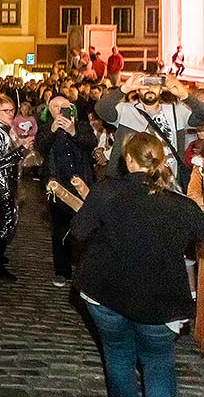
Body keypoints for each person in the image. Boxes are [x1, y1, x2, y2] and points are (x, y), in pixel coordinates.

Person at [72, 132, 204, 397]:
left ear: (129, 160)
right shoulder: (184, 206)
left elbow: (79, 232)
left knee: (118, 355)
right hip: (160, 300)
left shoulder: (106, 191)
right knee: (158, 363)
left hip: (105, 292)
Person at [96, 73, 204, 190]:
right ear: (137, 90)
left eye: (155, 84)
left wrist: (184, 95)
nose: (150, 88)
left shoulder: (176, 112)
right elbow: (101, 109)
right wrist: (125, 88)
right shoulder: (126, 110)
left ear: (161, 90)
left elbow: (202, 115)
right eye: (145, 84)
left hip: (168, 185)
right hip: (131, 184)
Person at [34, 95, 95, 287]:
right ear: (49, 110)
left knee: (85, 229)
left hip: (83, 185)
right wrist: (53, 130)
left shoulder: (82, 125)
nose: (60, 110)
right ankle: (62, 271)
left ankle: (85, 269)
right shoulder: (45, 128)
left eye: (64, 106)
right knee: (60, 229)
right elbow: (40, 147)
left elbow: (91, 142)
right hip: (57, 187)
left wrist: (73, 130)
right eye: (55, 106)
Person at [0, 96, 31, 282]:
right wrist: (21, 150)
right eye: (6, 111)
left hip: (5, 179)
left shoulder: (4, 129)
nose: (11, 114)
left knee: (5, 219)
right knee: (6, 220)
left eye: (12, 110)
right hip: (1, 181)